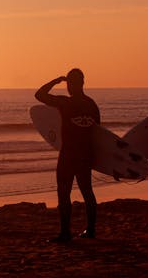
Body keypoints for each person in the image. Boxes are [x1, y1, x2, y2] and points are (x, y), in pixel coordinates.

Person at [35, 68, 100, 242]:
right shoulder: (92, 105)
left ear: (70, 85)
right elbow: (97, 133)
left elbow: (39, 95)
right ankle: (91, 230)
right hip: (85, 154)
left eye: (69, 83)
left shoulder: (66, 103)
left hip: (69, 154)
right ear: (83, 83)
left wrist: (56, 81)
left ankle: (65, 233)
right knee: (87, 192)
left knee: (64, 193)